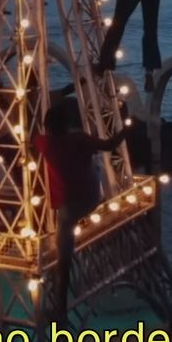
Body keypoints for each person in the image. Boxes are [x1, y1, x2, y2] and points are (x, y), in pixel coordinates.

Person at [33, 93, 130, 317]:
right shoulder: (80, 140)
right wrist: (125, 127)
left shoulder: (43, 143)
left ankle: (60, 307)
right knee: (94, 166)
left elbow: (32, 138)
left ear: (48, 126)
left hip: (66, 206)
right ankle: (60, 305)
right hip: (90, 197)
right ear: (68, 125)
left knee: (63, 254)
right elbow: (110, 144)